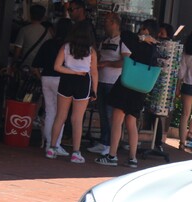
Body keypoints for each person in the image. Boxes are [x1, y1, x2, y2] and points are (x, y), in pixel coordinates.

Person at [95, 19, 160, 168]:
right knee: (131, 123)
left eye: (142, 29)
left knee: (117, 121)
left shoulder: (138, 44)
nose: (139, 31)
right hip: (140, 89)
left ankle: (112, 155)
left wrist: (142, 38)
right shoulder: (155, 49)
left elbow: (124, 35)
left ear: (146, 31)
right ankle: (132, 158)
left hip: (126, 85)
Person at [46, 21, 98, 163]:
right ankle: (75, 152)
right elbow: (94, 72)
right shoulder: (91, 51)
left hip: (67, 80)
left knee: (60, 116)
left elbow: (57, 66)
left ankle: (51, 148)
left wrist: (71, 71)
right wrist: (94, 90)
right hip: (83, 80)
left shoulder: (66, 47)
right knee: (77, 119)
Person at [88, 12, 131, 156]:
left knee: (110, 114)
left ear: (114, 23)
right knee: (102, 113)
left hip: (114, 82)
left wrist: (108, 63)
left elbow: (126, 62)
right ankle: (103, 141)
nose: (104, 24)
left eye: (106, 21)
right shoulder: (105, 41)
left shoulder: (122, 41)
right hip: (100, 80)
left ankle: (110, 144)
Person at [32, 18, 72, 156]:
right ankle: (55, 144)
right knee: (61, 114)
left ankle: (49, 143)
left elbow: (35, 64)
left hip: (46, 78)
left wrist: (40, 77)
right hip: (62, 79)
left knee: (50, 112)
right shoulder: (68, 46)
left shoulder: (48, 43)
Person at [13, 4, 51, 68]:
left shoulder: (24, 30)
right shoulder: (47, 33)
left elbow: (17, 51)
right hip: (39, 68)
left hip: (25, 67)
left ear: (30, 15)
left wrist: (13, 65)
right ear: (43, 17)